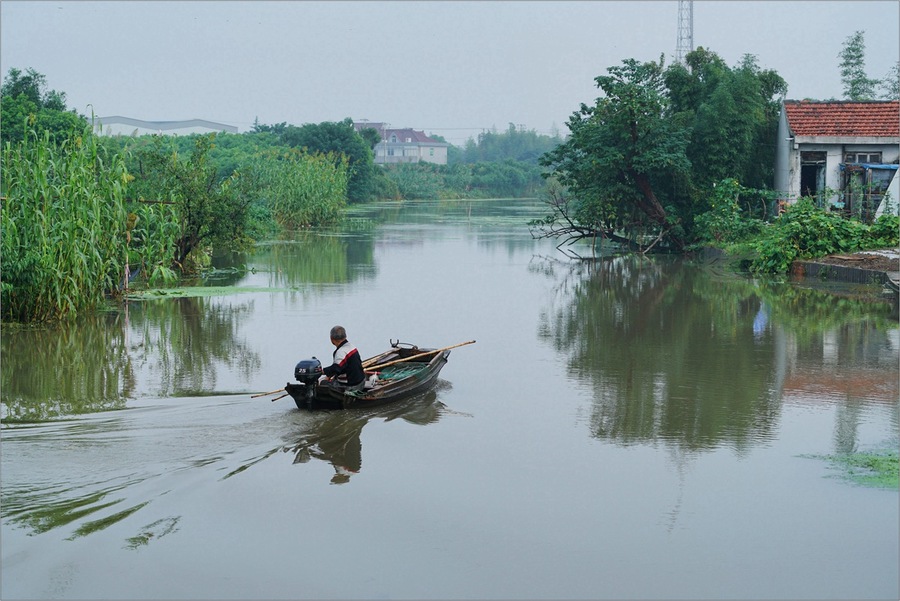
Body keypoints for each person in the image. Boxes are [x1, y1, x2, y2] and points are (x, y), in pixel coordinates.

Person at [321, 325, 365, 390]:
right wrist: (328, 375)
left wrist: (322, 371)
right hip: (362, 382)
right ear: (345, 336)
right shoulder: (351, 346)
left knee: (323, 383)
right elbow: (339, 367)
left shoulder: (341, 352)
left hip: (352, 386)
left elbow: (336, 368)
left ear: (331, 339)